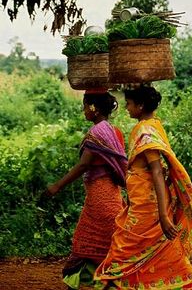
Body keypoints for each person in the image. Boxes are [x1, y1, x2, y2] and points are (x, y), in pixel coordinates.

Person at [94, 85, 192, 290]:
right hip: (140, 203)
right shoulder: (154, 124)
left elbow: (157, 172)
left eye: (129, 104)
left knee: (123, 250)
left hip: (148, 209)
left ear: (140, 106)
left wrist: (162, 215)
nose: (126, 109)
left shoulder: (145, 130)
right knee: (151, 249)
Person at [44, 89, 127, 290]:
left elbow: (83, 165)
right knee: (106, 244)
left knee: (86, 243)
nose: (83, 110)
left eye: (84, 106)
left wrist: (56, 186)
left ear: (94, 108)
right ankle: (106, 282)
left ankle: (103, 282)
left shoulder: (96, 133)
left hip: (100, 200)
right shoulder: (115, 132)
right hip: (112, 197)